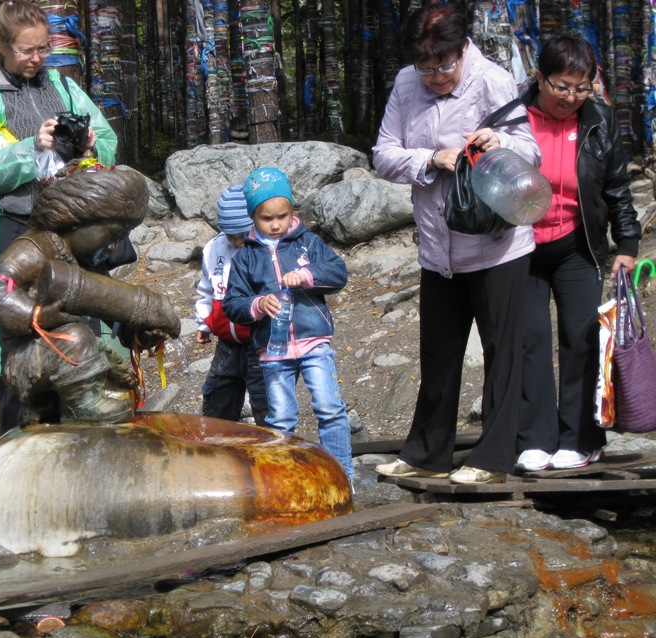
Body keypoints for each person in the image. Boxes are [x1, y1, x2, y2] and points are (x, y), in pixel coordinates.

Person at [371, 3, 541, 484]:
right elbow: (384, 154)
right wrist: (431, 158)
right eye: (427, 67)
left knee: (500, 352)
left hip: (496, 245)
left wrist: (499, 144)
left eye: (444, 65)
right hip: (438, 245)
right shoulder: (407, 84)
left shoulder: (493, 80)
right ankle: (426, 452)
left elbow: (531, 152)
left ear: (462, 48)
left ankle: (492, 458)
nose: (436, 76)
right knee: (439, 352)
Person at [0, 0, 122, 433]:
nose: (36, 59)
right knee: (19, 334)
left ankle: (83, 438)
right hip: (13, 230)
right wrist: (33, 147)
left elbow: (106, 136)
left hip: (67, 234)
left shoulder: (64, 88)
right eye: (27, 50)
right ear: (1, 46)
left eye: (43, 49)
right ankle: (17, 443)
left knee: (77, 324)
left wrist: (88, 147)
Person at [515, 34, 640, 472]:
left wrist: (626, 243)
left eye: (581, 87)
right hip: (522, 246)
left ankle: (583, 438)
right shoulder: (512, 117)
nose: (570, 97)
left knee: (581, 339)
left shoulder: (599, 120)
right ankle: (534, 438)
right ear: (539, 78)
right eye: (561, 86)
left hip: (577, 244)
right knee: (528, 341)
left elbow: (617, 188)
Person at [0, 166, 180, 425]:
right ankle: (80, 404)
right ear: (77, 220)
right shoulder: (33, 249)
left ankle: (52, 406)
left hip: (59, 357)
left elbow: (112, 312)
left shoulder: (86, 262)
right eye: (112, 234)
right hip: (26, 356)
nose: (114, 246)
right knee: (78, 335)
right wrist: (35, 315)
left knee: (91, 345)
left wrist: (137, 334)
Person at [222, 168, 353, 481]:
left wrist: (308, 276)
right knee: (280, 418)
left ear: (292, 210)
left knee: (329, 407)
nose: (276, 224)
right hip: (272, 350)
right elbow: (232, 304)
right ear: (253, 216)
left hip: (314, 340)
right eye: (267, 218)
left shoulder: (307, 242)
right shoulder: (245, 257)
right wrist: (257, 305)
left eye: (283, 215)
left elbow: (338, 273)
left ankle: (342, 476)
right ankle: (285, 481)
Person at [194, 185, 269, 425]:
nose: (237, 241)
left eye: (242, 233)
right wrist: (203, 322)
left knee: (264, 399)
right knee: (218, 392)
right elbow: (206, 288)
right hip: (227, 340)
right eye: (230, 234)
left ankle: (271, 448)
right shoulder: (214, 249)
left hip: (259, 340)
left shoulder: (265, 248)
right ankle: (217, 444)